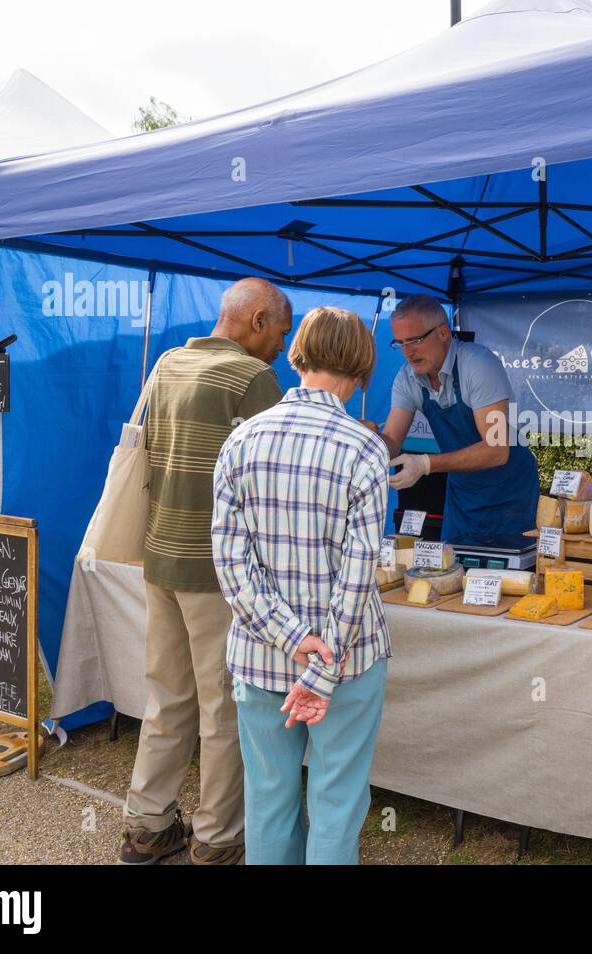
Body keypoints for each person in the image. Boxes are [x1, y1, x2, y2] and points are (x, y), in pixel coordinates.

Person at [118, 277, 292, 865]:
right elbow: (275, 481)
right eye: (281, 333)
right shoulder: (253, 379)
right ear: (259, 319)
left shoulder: (167, 364)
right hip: (218, 570)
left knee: (166, 697)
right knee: (223, 708)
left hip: (159, 555)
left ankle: (147, 825)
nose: (282, 349)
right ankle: (217, 839)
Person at [212, 306, 391, 866]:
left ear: (298, 355)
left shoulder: (241, 442)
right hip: (350, 660)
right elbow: (357, 577)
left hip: (261, 656)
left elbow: (231, 567)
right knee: (336, 803)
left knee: (268, 801)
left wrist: (292, 639)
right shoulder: (364, 450)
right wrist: (321, 662)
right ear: (361, 370)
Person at [378, 294, 539, 545]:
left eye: (415, 340)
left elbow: (496, 450)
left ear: (443, 333)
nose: (408, 352)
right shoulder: (407, 378)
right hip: (463, 496)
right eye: (400, 343)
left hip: (510, 496)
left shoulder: (478, 364)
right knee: (453, 574)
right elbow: (391, 442)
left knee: (509, 579)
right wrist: (366, 440)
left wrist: (425, 464)